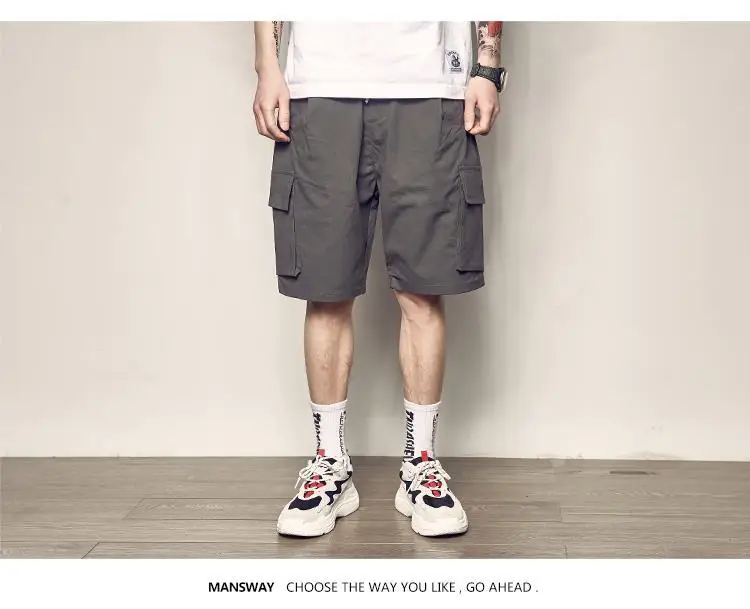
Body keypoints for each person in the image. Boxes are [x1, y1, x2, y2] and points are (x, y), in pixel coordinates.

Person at [253, 21, 506, 538]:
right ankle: (330, 463)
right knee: (325, 291)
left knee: (422, 291)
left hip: (429, 83)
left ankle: (420, 464)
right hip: (321, 83)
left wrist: (487, 68)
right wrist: (267, 64)